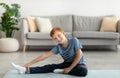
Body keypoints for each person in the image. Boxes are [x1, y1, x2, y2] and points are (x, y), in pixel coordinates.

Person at [12, 27, 88, 76]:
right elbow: (44, 56)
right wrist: (29, 63)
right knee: (49, 67)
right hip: (66, 64)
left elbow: (79, 55)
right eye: (55, 38)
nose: (58, 39)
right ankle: (25, 70)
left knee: (83, 71)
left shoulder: (74, 40)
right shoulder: (58, 47)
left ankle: (62, 71)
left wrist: (70, 69)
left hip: (79, 64)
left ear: (63, 33)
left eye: (59, 35)